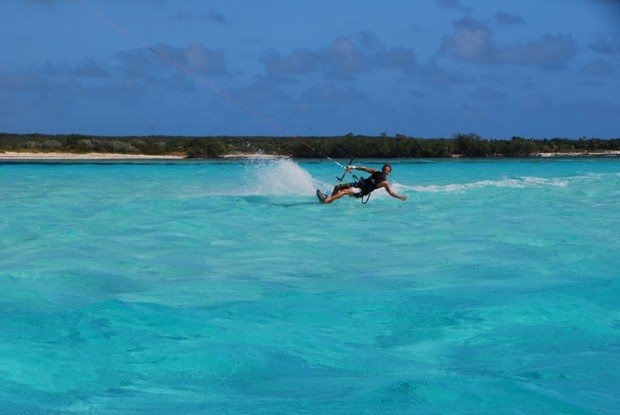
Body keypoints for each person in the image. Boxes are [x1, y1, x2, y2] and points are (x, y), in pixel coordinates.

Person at [317, 163, 407, 203]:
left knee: (344, 192)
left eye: (387, 171)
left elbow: (391, 193)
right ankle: (330, 201)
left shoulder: (384, 183)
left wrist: (400, 197)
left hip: (361, 191)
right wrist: (352, 167)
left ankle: (328, 200)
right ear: (382, 169)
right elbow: (364, 168)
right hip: (357, 184)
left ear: (389, 172)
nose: (385, 171)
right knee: (337, 187)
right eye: (384, 169)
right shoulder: (375, 171)